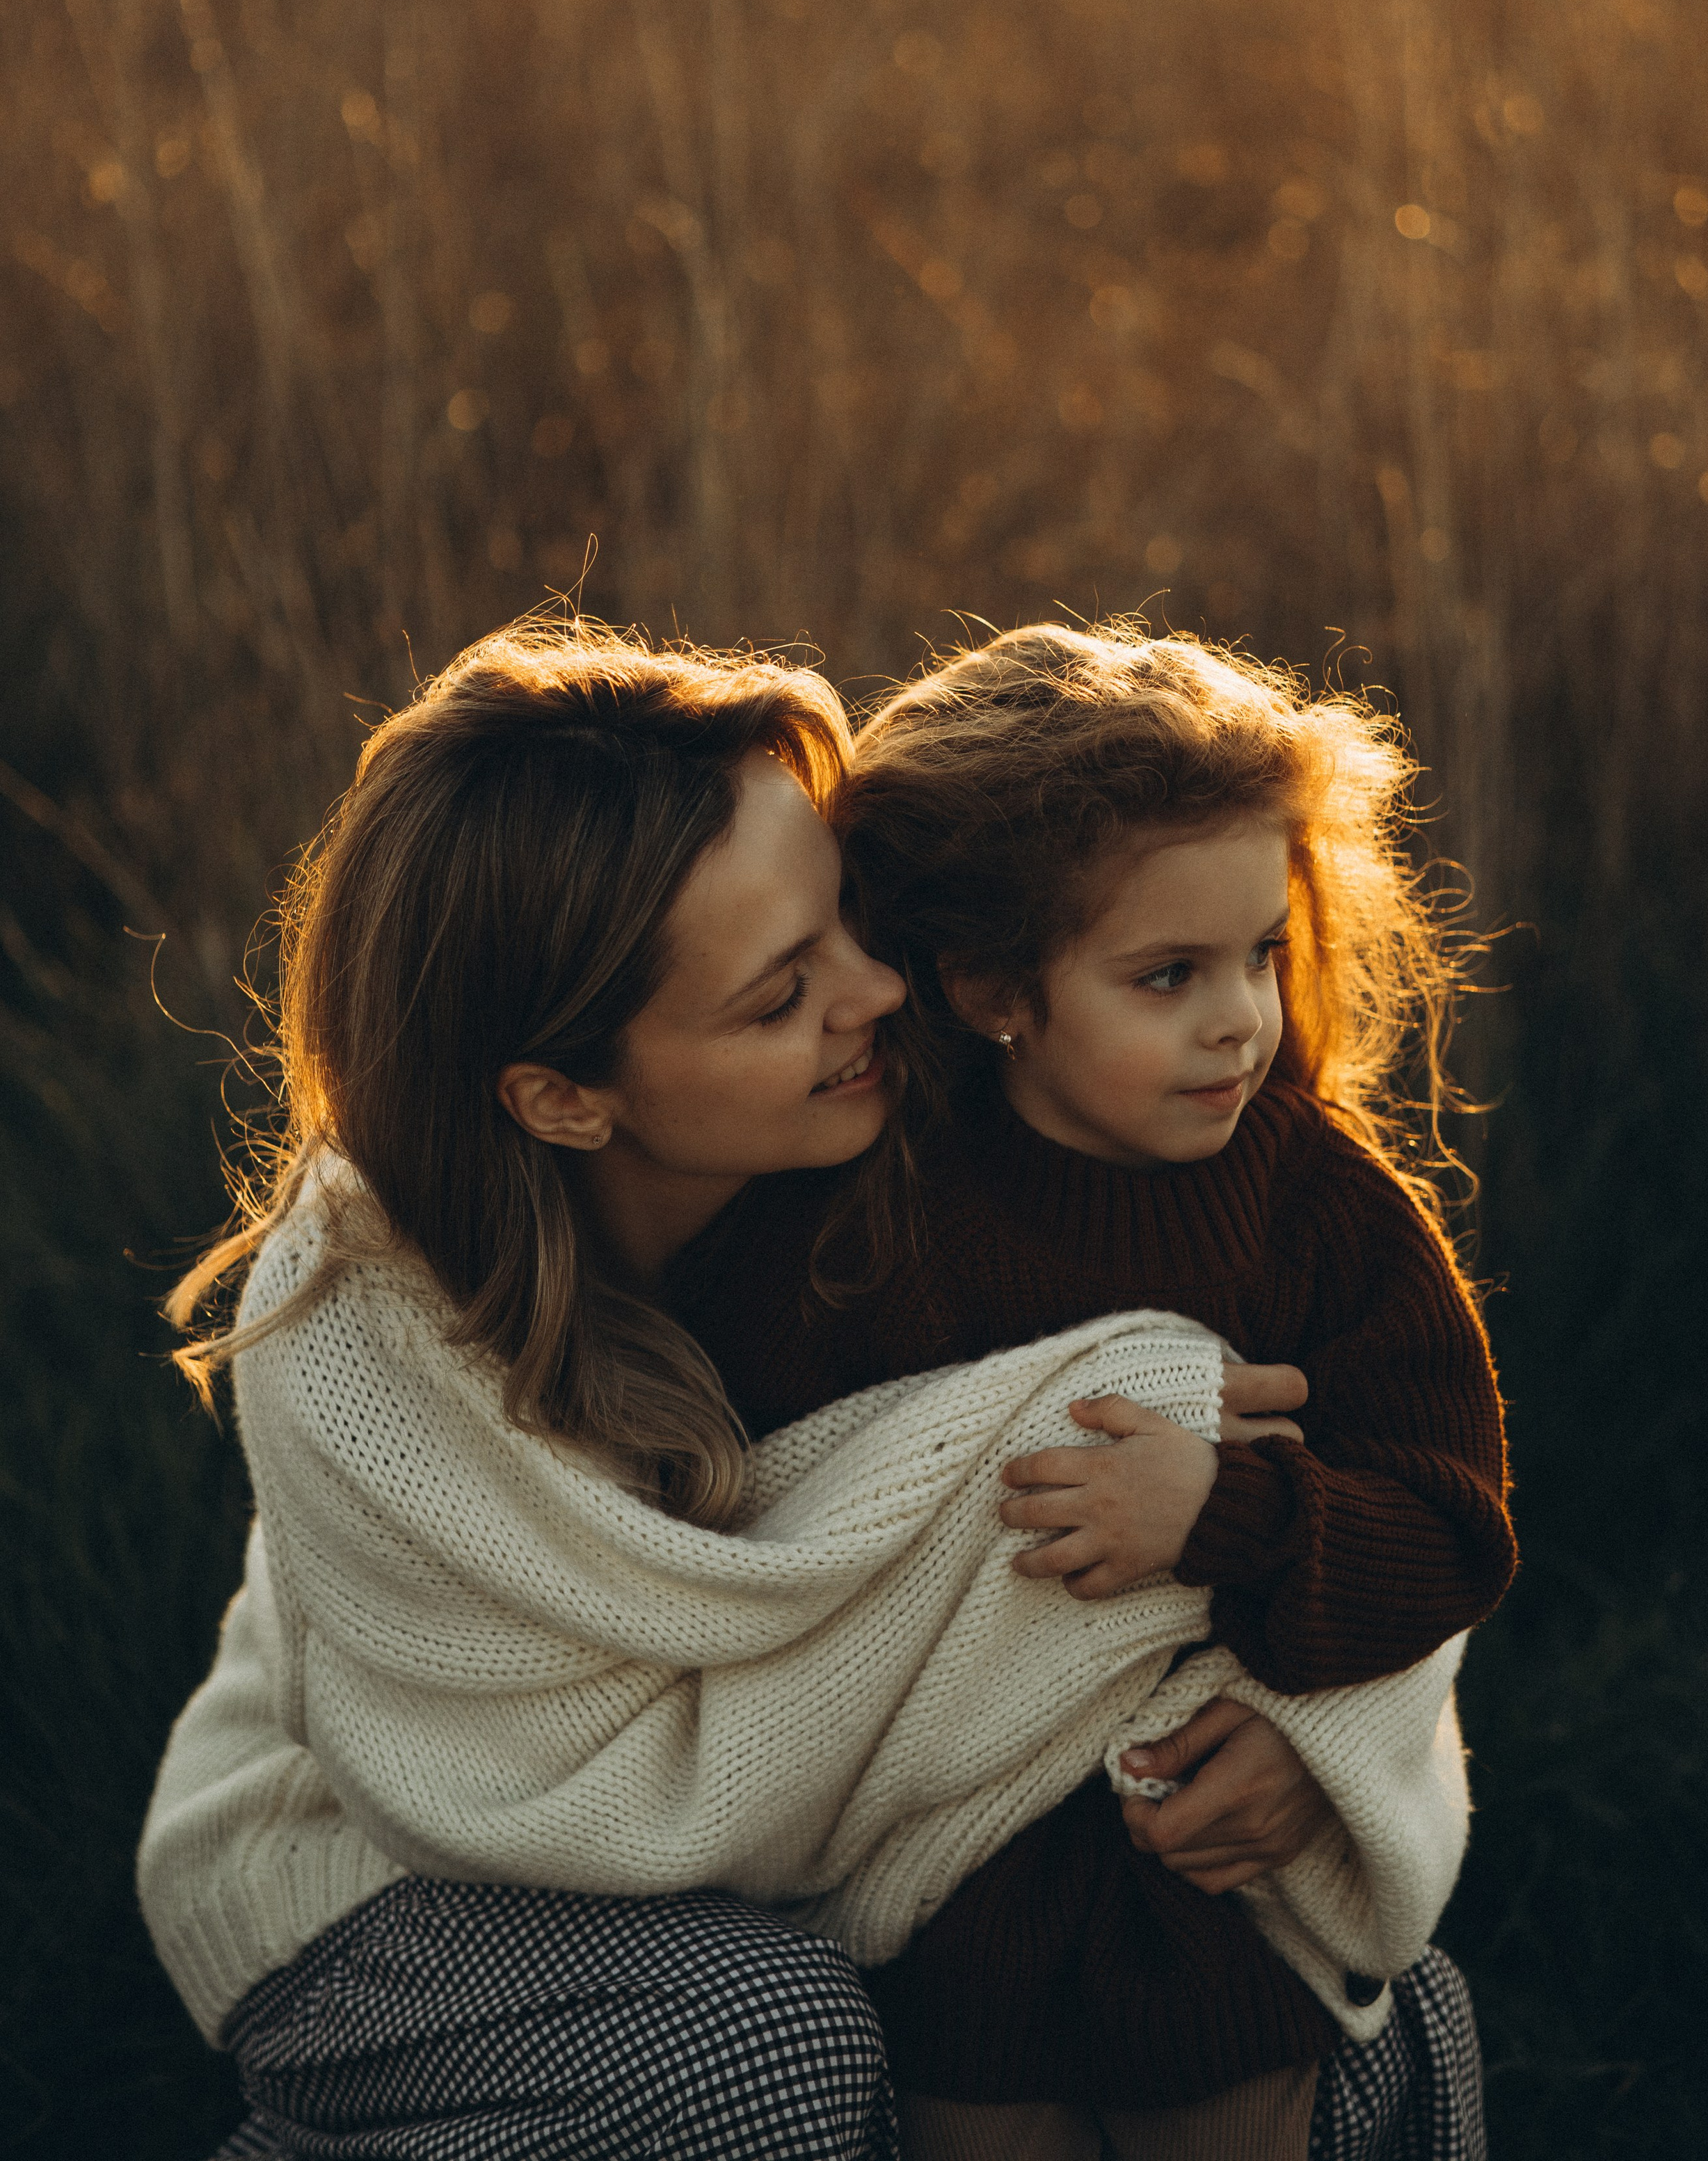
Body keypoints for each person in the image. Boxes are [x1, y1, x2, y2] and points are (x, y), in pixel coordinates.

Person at [141, 616, 1368, 2161]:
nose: (875, 992)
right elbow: (568, 1779)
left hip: (803, 1813)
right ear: (562, 1097)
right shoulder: (366, 1324)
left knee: (1344, 2010)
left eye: (846, 920)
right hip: (393, 1854)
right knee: (766, 2041)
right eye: (778, 994)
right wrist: (1120, 1445)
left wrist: (1298, 1734)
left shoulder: (942, 1101)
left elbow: (1352, 1440)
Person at [671, 621, 1516, 2161]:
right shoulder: (867, 1210)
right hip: (951, 1887)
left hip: (1205, 1889)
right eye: (1165, 974)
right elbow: (775, 1520)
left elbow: (1450, 1527)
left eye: (1261, 952)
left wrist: (1230, 1510)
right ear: (993, 983)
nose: (1238, 1020)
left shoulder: (1313, 1203)